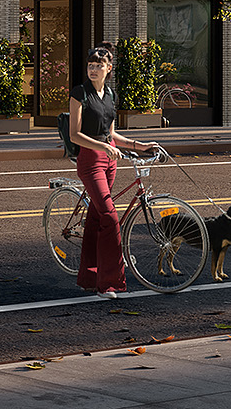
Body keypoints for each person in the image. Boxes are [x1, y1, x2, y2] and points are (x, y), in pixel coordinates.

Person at [67, 42, 155, 299]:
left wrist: (141, 145)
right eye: (90, 65)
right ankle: (109, 283)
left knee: (96, 218)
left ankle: (89, 277)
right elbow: (75, 135)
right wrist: (104, 147)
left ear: (109, 69)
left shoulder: (110, 96)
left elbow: (113, 134)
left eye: (98, 66)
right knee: (109, 216)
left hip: (110, 161)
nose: (93, 70)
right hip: (90, 159)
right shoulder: (79, 93)